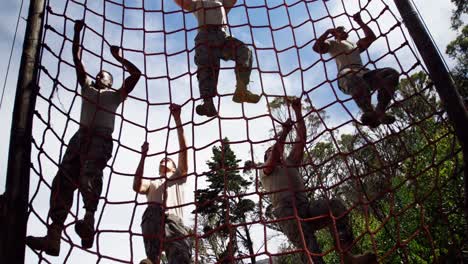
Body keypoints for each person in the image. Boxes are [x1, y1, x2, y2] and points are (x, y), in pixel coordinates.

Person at [26, 19, 141, 256]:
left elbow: (136, 74)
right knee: (63, 181)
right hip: (80, 137)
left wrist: (118, 58)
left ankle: (88, 221)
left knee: (90, 176)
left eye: (105, 75)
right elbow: (77, 59)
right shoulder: (87, 88)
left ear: (111, 81)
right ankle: (54, 235)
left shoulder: (115, 95)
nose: (100, 76)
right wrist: (76, 33)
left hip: (100, 138)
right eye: (98, 74)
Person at [246, 98, 377, 264]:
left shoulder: (291, 163)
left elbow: (301, 139)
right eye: (270, 151)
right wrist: (284, 133)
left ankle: (347, 256)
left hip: (304, 206)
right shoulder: (265, 170)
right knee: (310, 248)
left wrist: (298, 111)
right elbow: (273, 157)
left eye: (275, 149)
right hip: (286, 213)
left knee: (335, 206)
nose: (274, 151)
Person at [173, 0, 261, 117]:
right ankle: (208, 104)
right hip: (205, 35)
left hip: (222, 36)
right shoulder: (198, 3)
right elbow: (183, 2)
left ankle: (241, 89)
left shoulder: (222, 3)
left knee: (244, 51)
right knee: (206, 68)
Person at [313, 12, 399, 128]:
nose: (343, 31)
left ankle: (380, 111)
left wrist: (359, 21)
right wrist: (328, 31)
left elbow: (371, 37)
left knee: (391, 73)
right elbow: (316, 47)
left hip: (364, 74)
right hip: (346, 76)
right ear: (335, 34)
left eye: (344, 30)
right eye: (339, 30)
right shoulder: (332, 43)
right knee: (350, 75)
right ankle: (368, 111)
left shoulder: (354, 45)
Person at [133, 104, 192, 264]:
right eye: (161, 160)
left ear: (174, 167)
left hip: (173, 219)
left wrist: (178, 120)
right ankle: (153, 260)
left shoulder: (179, 175)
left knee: (181, 258)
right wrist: (143, 156)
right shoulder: (152, 183)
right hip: (152, 216)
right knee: (152, 259)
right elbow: (136, 185)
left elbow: (184, 149)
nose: (164, 160)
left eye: (168, 160)